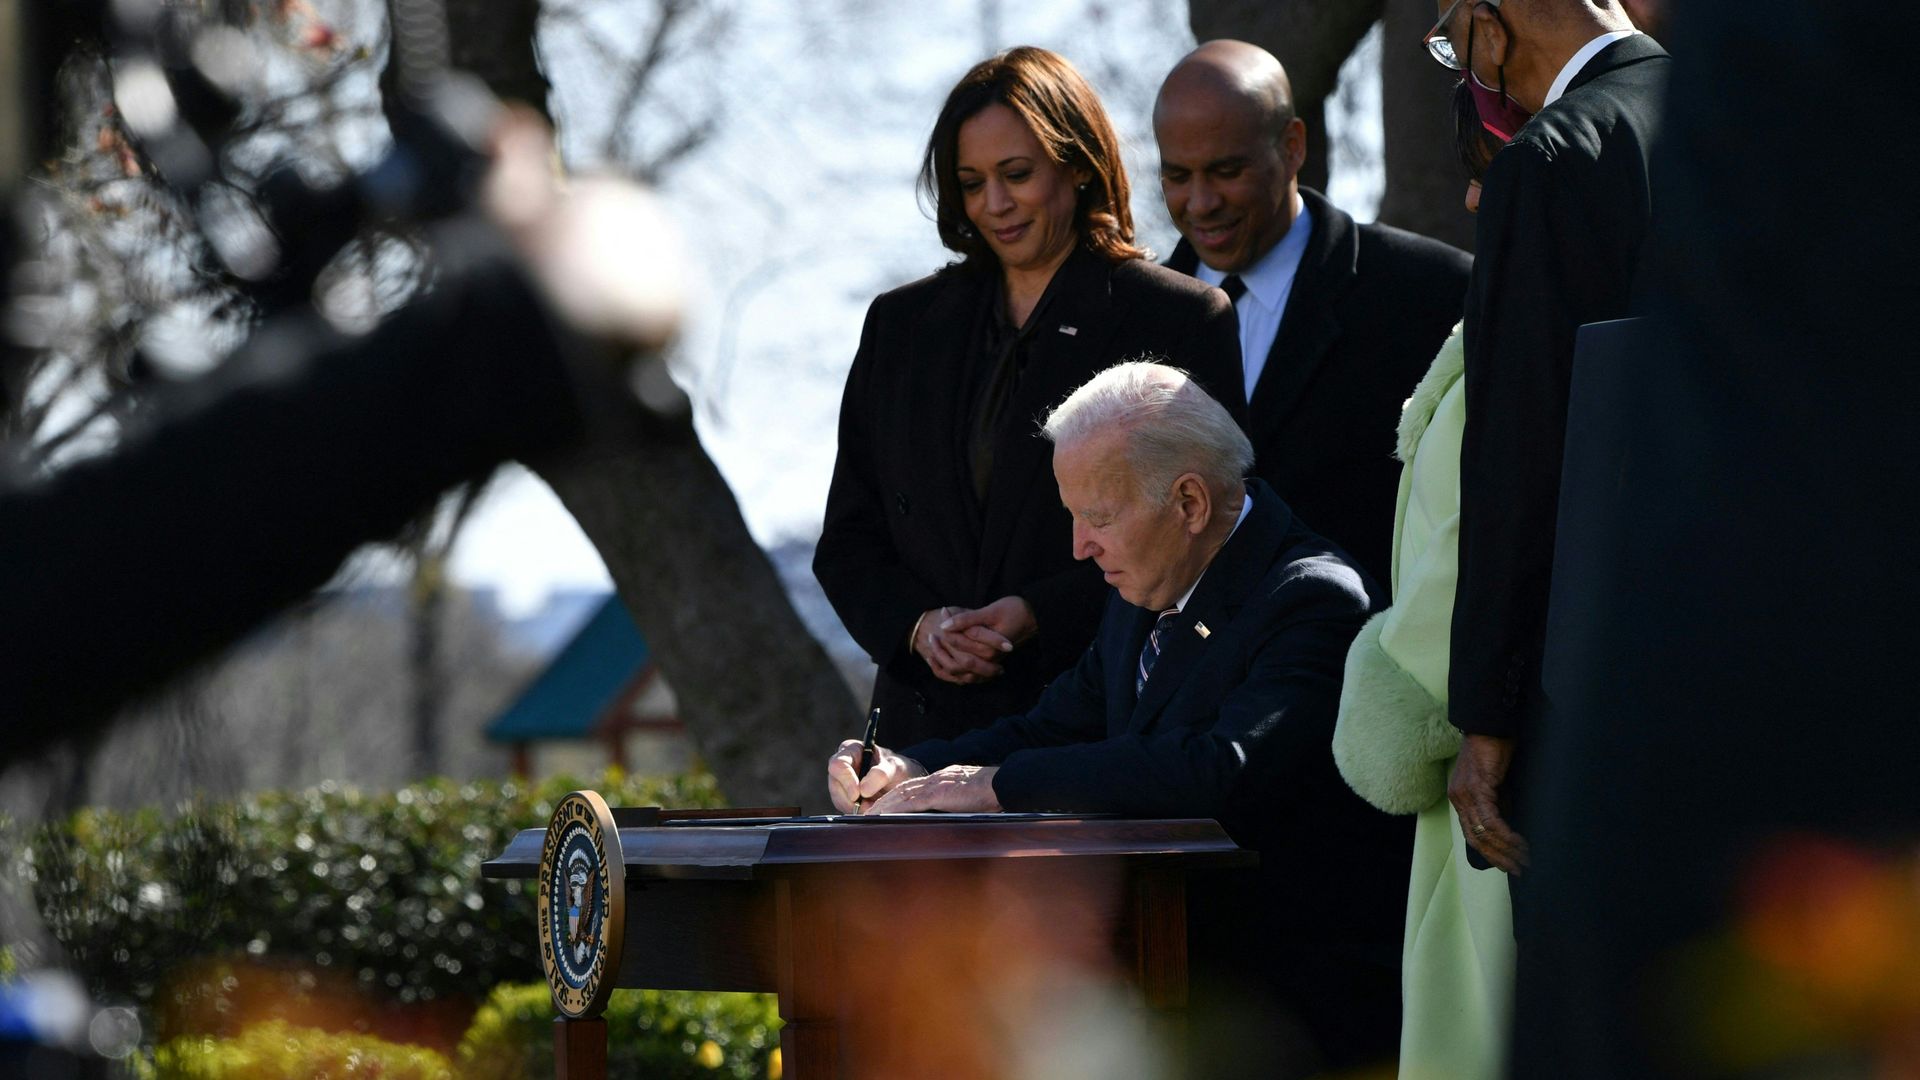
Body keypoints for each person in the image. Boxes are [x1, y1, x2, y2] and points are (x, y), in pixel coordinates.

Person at [828, 361, 1411, 1075]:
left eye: (1097, 518)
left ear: (1190, 503)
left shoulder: (1314, 600)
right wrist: (913, 769)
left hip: (1288, 1017)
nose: (1079, 547)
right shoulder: (1142, 592)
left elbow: (1217, 771)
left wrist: (994, 786)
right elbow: (1051, 726)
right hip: (1165, 984)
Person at [814, 47, 1245, 751]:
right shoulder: (900, 327)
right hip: (919, 735)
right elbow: (848, 541)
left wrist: (1038, 613)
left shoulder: (1176, 318)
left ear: (1076, 164)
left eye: (1017, 175)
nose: (994, 204)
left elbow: (1206, 532)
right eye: (971, 182)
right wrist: (921, 628)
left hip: (1094, 728)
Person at [1425, 0, 1668, 884]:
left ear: (1492, 25)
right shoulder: (1758, 129)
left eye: (1453, 39)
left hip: (1597, 699)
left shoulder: (1550, 161)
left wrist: (1487, 724)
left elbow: (1519, 460)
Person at [1330, 78, 1521, 1080]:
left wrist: (1395, 696)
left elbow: (1468, 552)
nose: (1479, 204)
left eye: (1492, 177)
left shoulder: (1513, 349)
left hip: (1488, 768)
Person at [1153, 39, 1470, 588]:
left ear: (1293, 146)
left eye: (1227, 171)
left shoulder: (1432, 295)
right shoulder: (1136, 314)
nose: (1200, 203)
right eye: (1178, 176)